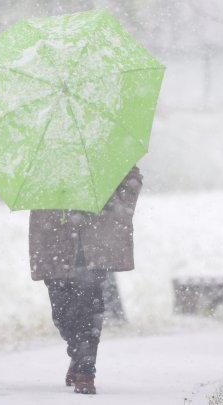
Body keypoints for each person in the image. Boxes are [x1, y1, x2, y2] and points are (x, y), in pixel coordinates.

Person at [28, 166, 143, 395]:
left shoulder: (105, 147)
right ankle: (78, 353)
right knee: (61, 313)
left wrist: (116, 204)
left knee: (90, 308)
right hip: (56, 243)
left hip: (93, 244)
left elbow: (132, 179)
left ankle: (86, 372)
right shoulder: (44, 157)